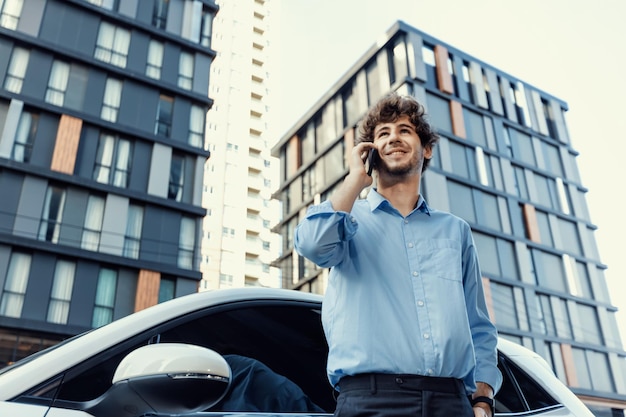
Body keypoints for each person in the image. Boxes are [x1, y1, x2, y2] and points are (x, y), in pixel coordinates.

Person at [294, 92, 502, 417]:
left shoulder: (455, 231)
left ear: (426, 148)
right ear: (370, 153)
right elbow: (312, 245)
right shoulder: (346, 220)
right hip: (370, 400)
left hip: (451, 402)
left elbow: (478, 326)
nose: (394, 137)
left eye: (405, 130)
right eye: (383, 133)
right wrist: (355, 180)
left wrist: (482, 399)